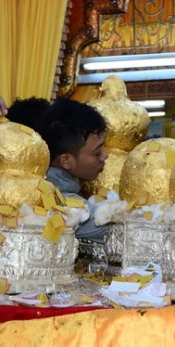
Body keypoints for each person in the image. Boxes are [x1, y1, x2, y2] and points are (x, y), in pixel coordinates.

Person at [39, 99, 108, 243]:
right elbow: (118, 229)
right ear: (65, 161)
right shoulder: (62, 203)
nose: (105, 155)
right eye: (97, 152)